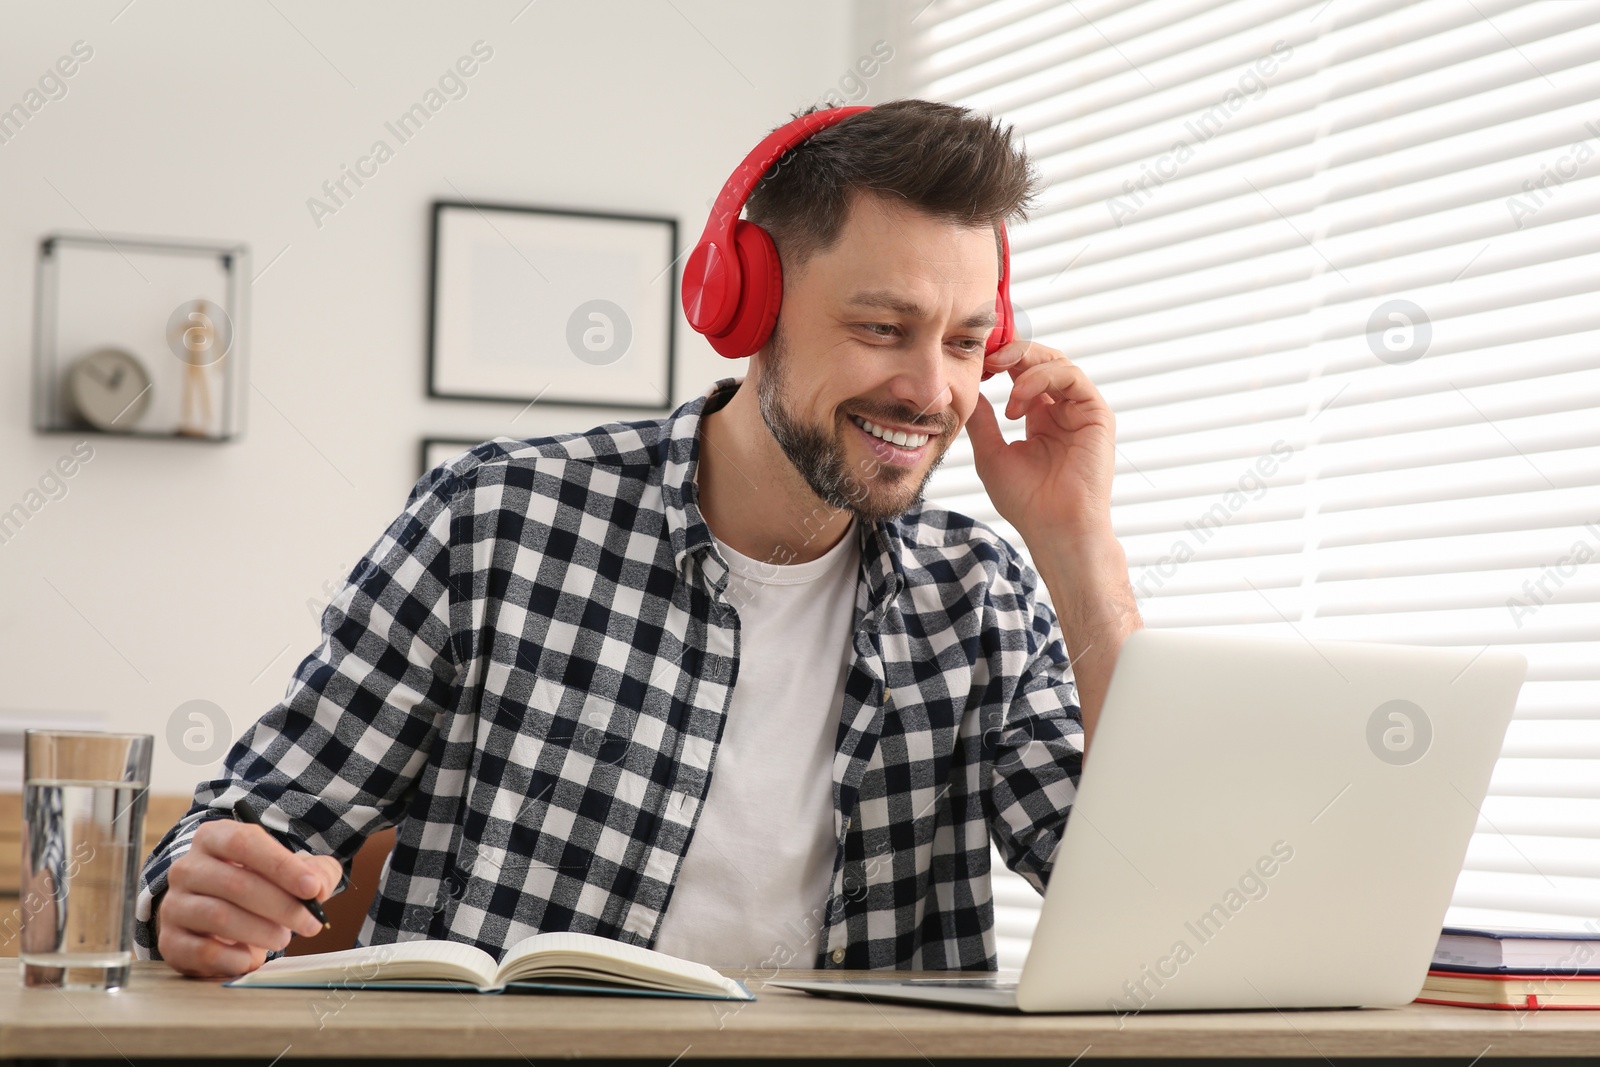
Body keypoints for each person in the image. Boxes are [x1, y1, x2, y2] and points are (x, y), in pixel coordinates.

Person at [136, 98, 1142, 979]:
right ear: (746, 307)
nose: (933, 391)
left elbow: (1153, 902)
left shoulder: (978, 593)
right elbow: (245, 825)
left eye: (965, 340)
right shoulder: (496, 523)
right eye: (882, 328)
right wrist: (198, 893)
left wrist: (1077, 541)